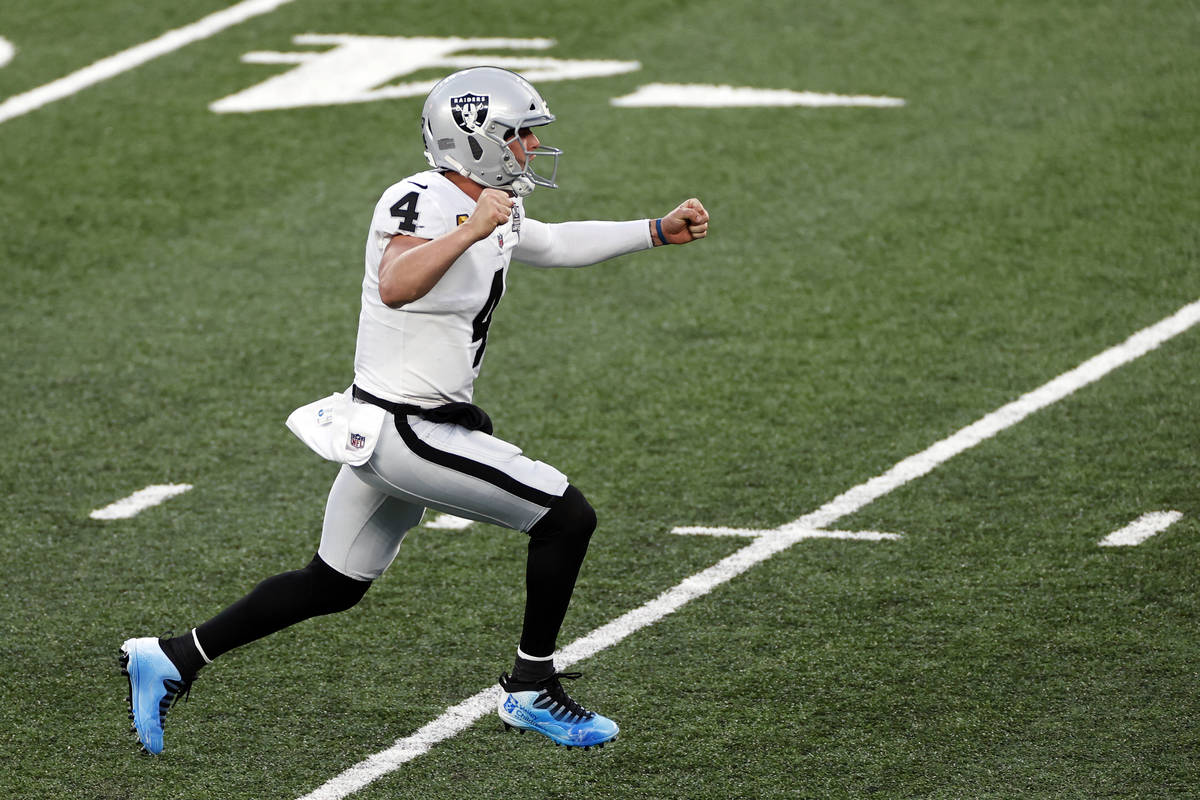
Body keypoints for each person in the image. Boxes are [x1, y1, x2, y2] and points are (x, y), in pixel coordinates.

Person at [120, 66, 709, 755]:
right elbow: (397, 282)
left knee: (332, 583)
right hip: (404, 427)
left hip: (403, 425)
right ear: (475, 139)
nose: (528, 149)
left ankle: (170, 657)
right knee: (565, 516)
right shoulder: (418, 196)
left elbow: (549, 243)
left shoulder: (496, 204)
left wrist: (655, 231)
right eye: (517, 135)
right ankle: (530, 688)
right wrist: (469, 229)